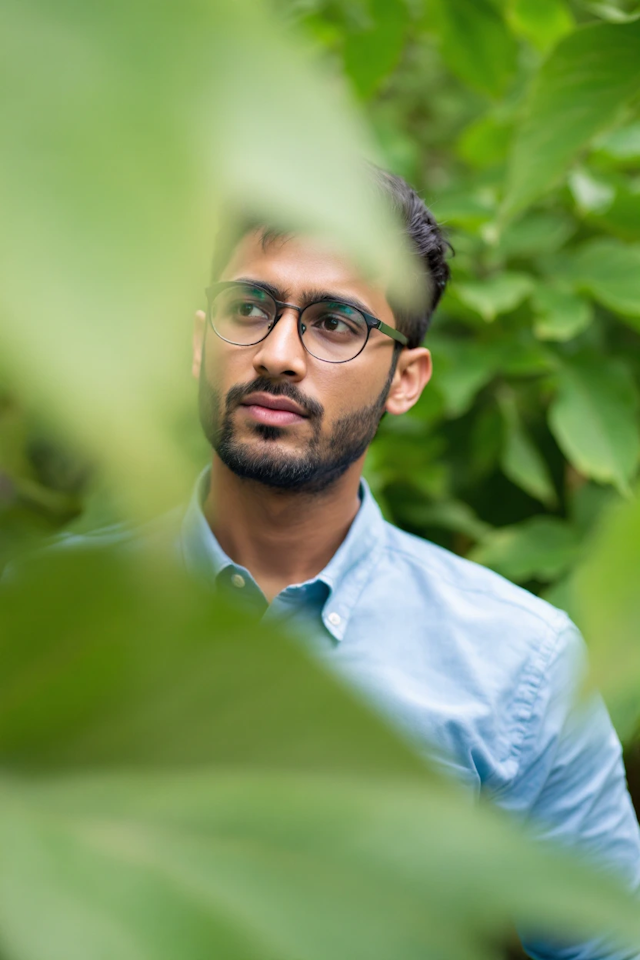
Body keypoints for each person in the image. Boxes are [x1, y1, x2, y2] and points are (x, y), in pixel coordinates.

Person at [15, 166, 640, 958]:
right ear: (197, 341)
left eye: (336, 324)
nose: (278, 354)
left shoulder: (519, 664)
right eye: (250, 309)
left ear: (405, 380)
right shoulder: (40, 613)